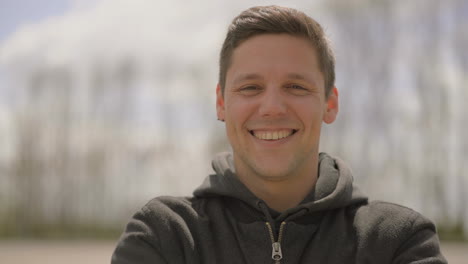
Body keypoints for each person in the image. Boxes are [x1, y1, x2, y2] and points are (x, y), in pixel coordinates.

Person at [111, 5, 447, 264]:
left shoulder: (397, 242)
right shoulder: (165, 236)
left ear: (330, 104)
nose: (272, 107)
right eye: (251, 87)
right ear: (221, 103)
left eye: (296, 87)